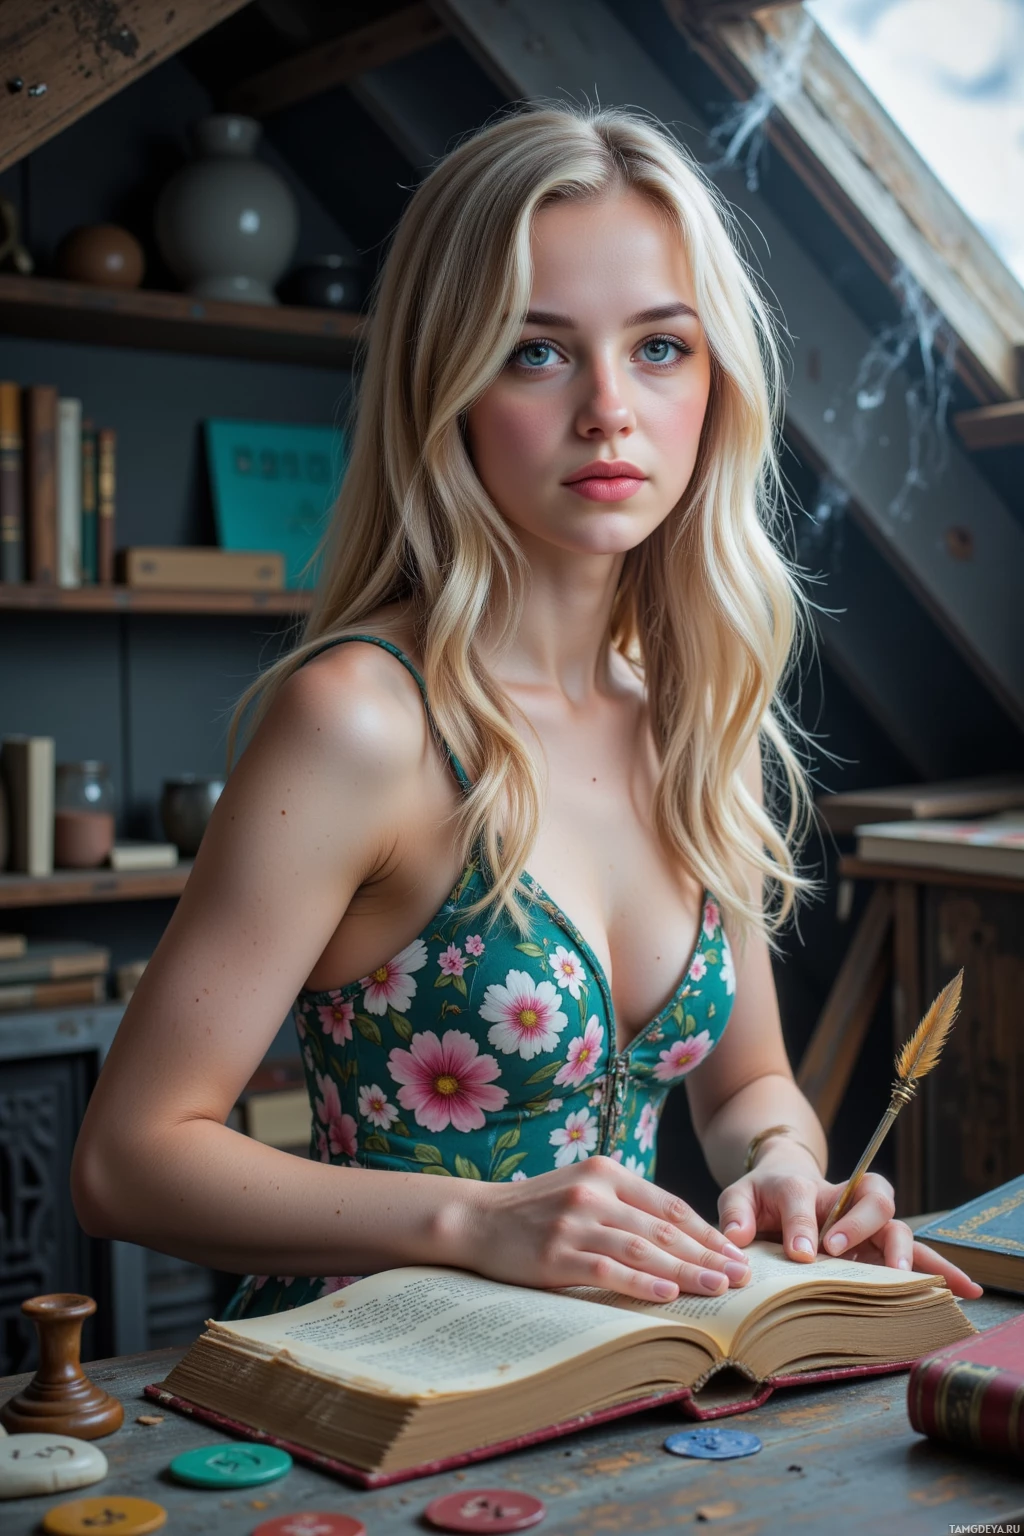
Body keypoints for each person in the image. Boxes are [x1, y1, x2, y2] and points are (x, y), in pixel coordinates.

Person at [72, 105, 980, 1318]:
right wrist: (479, 1219)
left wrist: (786, 1169)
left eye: (661, 347)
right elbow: (126, 1160)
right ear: (444, 382)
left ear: (716, 381)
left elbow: (745, 1079)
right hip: (366, 1385)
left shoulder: (696, 714)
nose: (609, 407)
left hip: (626, 1393)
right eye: (536, 350)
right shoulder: (364, 720)